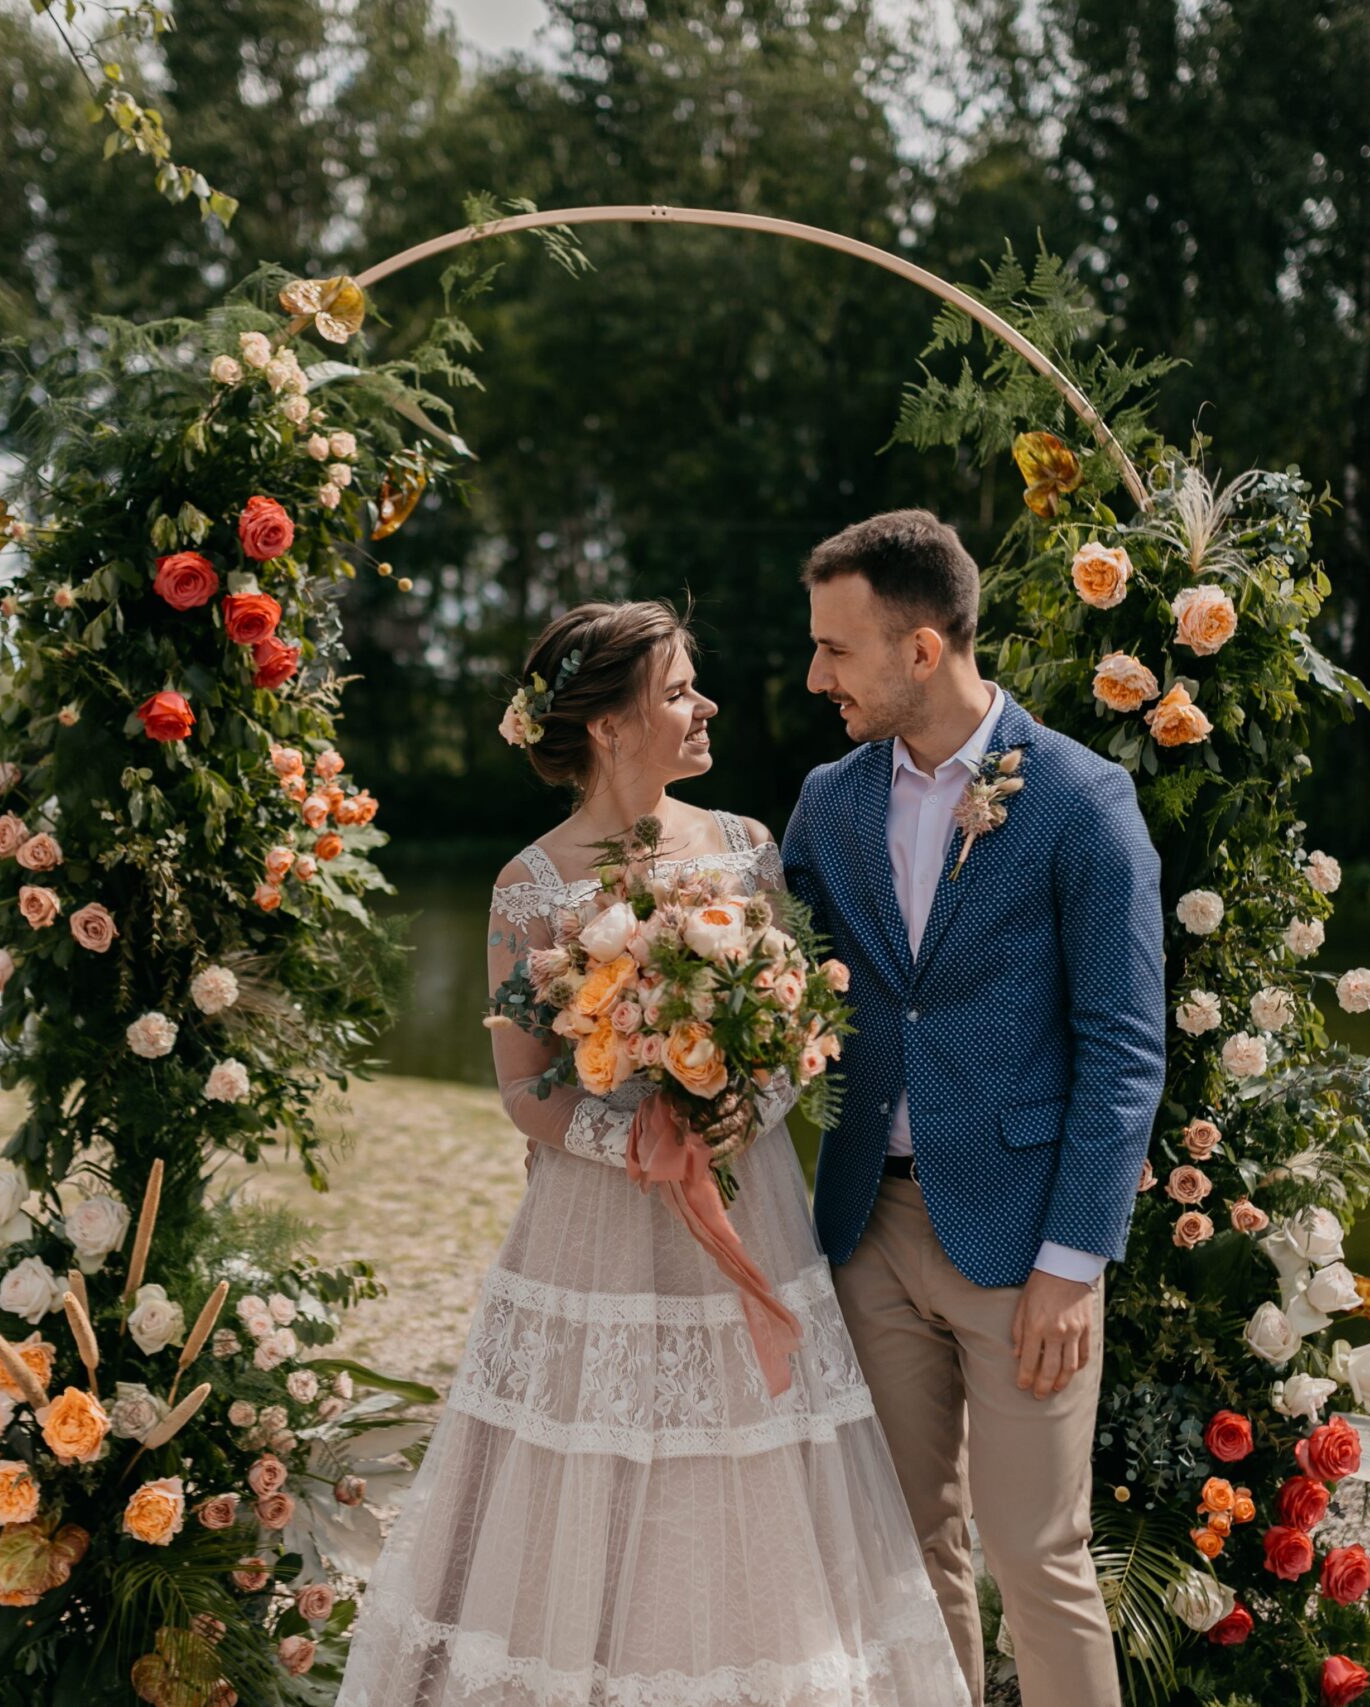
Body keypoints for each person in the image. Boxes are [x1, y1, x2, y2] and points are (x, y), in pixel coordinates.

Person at [338, 599, 972, 1707]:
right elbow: (525, 1091)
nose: (704, 704)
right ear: (608, 726)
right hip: (598, 1217)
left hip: (749, 1197)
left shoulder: (745, 848)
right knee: (592, 1452)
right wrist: (638, 1136)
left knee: (751, 1451)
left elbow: (802, 1019)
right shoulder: (528, 886)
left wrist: (743, 1111)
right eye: (678, 690)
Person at [781, 510, 1166, 1705]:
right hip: (868, 1231)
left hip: (1022, 1246)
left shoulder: (1079, 801)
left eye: (836, 650)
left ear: (921, 648)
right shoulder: (826, 802)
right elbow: (772, 979)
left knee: (1034, 1554)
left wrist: (1072, 1260)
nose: (813, 676)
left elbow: (1123, 1051)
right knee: (906, 1551)